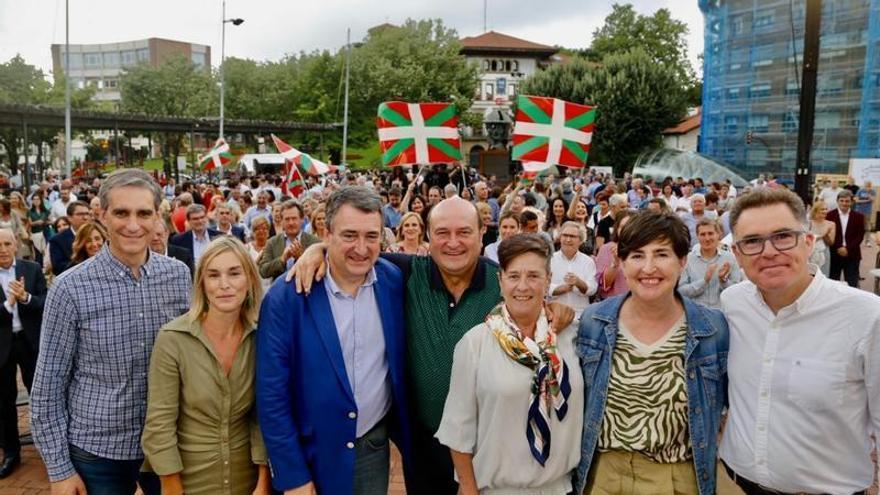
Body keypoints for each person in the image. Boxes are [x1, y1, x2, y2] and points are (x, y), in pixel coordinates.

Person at [289, 196, 574, 494]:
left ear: (481, 234)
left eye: (464, 232)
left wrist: (553, 309)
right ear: (428, 236)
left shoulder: (501, 283)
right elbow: (358, 255)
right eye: (442, 232)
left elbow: (533, 304)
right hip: (424, 447)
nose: (453, 242)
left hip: (489, 447)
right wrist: (318, 249)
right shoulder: (406, 273)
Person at [31, 169, 192, 494]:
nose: (133, 225)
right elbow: (48, 388)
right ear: (102, 215)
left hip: (166, 446)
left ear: (157, 215)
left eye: (143, 213)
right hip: (97, 454)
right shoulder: (70, 288)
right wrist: (60, 469)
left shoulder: (178, 276)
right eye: (121, 212)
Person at [720, 188, 880, 494]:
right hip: (735, 484)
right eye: (752, 241)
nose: (768, 252)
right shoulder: (733, 304)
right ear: (738, 254)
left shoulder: (867, 316)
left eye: (783, 236)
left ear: (808, 242)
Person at [257, 186, 412, 494]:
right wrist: (293, 476)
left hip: (371, 449)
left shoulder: (393, 281)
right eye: (349, 235)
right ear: (326, 234)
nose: (362, 248)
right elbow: (271, 396)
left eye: (371, 236)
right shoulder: (286, 297)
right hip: (311, 454)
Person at [575, 211, 729, 495]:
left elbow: (732, 403)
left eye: (661, 254)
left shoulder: (712, 328)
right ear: (621, 262)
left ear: (682, 261)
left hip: (677, 477)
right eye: (636, 255)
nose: (648, 268)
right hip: (603, 476)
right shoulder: (594, 321)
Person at [437, 234, 583, 494]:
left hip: (561, 487)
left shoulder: (572, 336)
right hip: (498, 489)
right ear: (500, 280)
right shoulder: (476, 343)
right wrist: (468, 488)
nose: (523, 286)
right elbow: (458, 428)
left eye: (534, 276)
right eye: (514, 276)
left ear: (548, 279)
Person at [143, 237, 270, 495]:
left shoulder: (261, 337)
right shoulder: (173, 339)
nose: (224, 285)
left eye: (234, 273)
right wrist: (171, 487)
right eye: (213, 275)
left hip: (246, 479)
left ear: (249, 279)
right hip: (188, 479)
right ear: (202, 282)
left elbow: (260, 417)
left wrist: (263, 482)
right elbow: (160, 423)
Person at [0, 228, 47, 478]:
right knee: (4, 402)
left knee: (40, 397)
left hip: (30, 344)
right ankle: (11, 452)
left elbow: (45, 303)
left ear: (16, 244)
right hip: (3, 347)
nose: (3, 249)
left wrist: (25, 297)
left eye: (7, 243)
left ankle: (49, 448)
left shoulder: (31, 269)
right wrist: (8, 303)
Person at [677, 217, 742, 309]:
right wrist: (704, 281)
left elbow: (737, 292)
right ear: (697, 236)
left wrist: (723, 280)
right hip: (697, 313)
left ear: (718, 235)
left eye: (710, 233)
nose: (707, 238)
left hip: (723, 314)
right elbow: (681, 291)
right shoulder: (688, 259)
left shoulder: (729, 258)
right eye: (702, 234)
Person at [258, 200, 320, 281]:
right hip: (280, 291)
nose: (291, 223)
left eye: (294, 218)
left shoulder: (314, 242)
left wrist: (300, 257)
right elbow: (263, 271)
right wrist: (282, 259)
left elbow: (319, 271)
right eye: (287, 219)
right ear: (282, 221)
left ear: (302, 219)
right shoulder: (272, 242)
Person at [550, 221, 597, 318]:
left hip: (580, 316)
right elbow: (543, 286)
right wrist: (561, 288)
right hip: (554, 315)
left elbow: (592, 289)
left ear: (580, 240)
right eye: (565, 235)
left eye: (572, 236)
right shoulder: (550, 259)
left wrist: (578, 282)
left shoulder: (588, 262)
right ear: (560, 237)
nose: (568, 239)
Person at [825, 189, 866, 287]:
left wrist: (847, 249)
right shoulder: (829, 215)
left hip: (852, 254)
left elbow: (860, 236)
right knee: (833, 283)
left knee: (852, 283)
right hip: (834, 253)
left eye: (847, 201)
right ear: (837, 201)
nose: (844, 203)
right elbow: (828, 235)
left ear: (851, 202)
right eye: (842, 201)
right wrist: (838, 247)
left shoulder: (859, 217)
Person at [595, 210, 637, 300]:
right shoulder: (607, 249)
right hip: (613, 305)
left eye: (630, 227)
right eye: (622, 227)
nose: (625, 230)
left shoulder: (645, 250)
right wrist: (615, 263)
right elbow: (603, 285)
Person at [48, 201, 90, 276]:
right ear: (69, 218)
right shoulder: (57, 240)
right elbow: (58, 268)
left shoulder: (98, 234)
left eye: (87, 214)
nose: (85, 217)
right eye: (80, 214)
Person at [807, 199, 835, 277]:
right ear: (816, 210)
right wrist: (821, 235)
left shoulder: (831, 224)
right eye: (822, 209)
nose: (825, 211)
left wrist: (825, 235)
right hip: (810, 253)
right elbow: (805, 239)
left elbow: (831, 243)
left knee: (824, 276)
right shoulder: (809, 223)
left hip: (824, 252)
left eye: (826, 209)